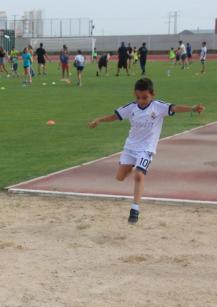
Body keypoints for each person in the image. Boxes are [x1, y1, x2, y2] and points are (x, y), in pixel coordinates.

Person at [87, 77, 205, 224]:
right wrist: (99, 120)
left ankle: (135, 209)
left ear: (152, 94)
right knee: (120, 177)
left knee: (139, 175)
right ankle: (130, 166)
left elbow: (175, 108)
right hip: (130, 147)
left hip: (147, 149)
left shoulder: (158, 106)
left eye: (144, 97)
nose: (141, 100)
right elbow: (115, 116)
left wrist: (192, 108)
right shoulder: (131, 108)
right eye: (138, 97)